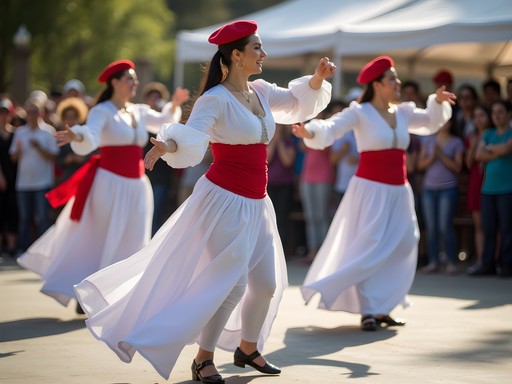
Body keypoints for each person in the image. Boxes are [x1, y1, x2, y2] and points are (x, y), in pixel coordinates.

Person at [74, 20, 334, 382]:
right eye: (256, 48)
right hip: (224, 200)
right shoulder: (215, 98)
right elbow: (192, 135)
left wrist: (318, 78)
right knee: (232, 284)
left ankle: (247, 348)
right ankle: (203, 359)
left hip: (258, 202)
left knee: (267, 285)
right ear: (237, 55)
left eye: (261, 47)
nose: (263, 53)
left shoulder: (260, 91)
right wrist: (168, 144)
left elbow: (295, 104)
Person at [293, 55, 455, 331]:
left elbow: (429, 122)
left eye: (396, 77)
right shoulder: (360, 112)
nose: (397, 82)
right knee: (370, 246)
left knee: (403, 244)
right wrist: (310, 132)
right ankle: (368, 309)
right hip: (370, 190)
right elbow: (333, 126)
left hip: (399, 191)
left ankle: (383, 306)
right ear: (377, 84)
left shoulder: (403, 112)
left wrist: (437, 103)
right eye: (392, 78)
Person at [16, 59, 181, 312]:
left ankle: (115, 295)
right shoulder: (101, 111)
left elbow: (162, 121)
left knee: (132, 240)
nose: (134, 82)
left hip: (137, 186)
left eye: (135, 78)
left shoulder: (137, 111)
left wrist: (175, 105)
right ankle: (88, 292)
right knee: (100, 237)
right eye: (129, 78)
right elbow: (91, 134)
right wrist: (77, 135)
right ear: (115, 82)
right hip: (109, 184)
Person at [417, 115, 465, 275]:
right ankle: (433, 261)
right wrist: (432, 157)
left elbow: (458, 167)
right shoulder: (428, 141)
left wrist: (441, 155)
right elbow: (420, 164)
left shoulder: (456, 142)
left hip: (448, 188)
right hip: (429, 189)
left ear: (451, 123)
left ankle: (451, 261)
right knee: (431, 228)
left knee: (445, 226)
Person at [9, 99, 59, 253]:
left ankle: (43, 250)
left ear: (40, 113)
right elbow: (13, 158)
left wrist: (39, 147)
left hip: (42, 182)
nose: (31, 115)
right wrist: (18, 150)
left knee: (43, 218)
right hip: (23, 183)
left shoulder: (48, 131)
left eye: (34, 112)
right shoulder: (20, 132)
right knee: (25, 218)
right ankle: (24, 249)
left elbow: (53, 157)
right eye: (29, 112)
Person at [469, 100, 512, 277]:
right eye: (494, 112)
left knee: (507, 229)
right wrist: (496, 150)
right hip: (488, 189)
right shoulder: (488, 133)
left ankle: (507, 264)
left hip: (507, 189)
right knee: (488, 228)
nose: (496, 115)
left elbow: (507, 149)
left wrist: (490, 150)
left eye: (500, 111)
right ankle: (487, 264)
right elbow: (479, 155)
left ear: (509, 114)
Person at [141, 82, 189, 234]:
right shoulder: (139, 116)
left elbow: (168, 118)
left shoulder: (164, 123)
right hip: (141, 175)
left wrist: (174, 104)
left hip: (161, 176)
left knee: (156, 213)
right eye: (151, 96)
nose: (154, 100)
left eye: (158, 97)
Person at [465, 104, 492, 271]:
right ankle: (481, 260)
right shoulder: (472, 137)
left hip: (492, 180)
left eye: (482, 115)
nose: (479, 119)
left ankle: (495, 260)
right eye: (476, 116)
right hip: (476, 181)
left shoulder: (495, 135)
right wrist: (474, 145)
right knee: (479, 225)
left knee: (494, 225)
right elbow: (468, 163)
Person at [267, 123, 297, 255]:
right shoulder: (268, 143)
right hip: (270, 184)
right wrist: (274, 142)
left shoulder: (289, 143)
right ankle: (270, 248)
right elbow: (267, 159)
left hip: (285, 185)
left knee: (282, 217)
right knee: (270, 218)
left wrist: (280, 143)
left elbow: (287, 161)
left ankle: (283, 250)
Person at [0, 97, 19, 257]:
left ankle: (12, 246)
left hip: (15, 178)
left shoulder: (16, 134)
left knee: (13, 210)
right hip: (1, 178)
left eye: (6, 113)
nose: (3, 117)